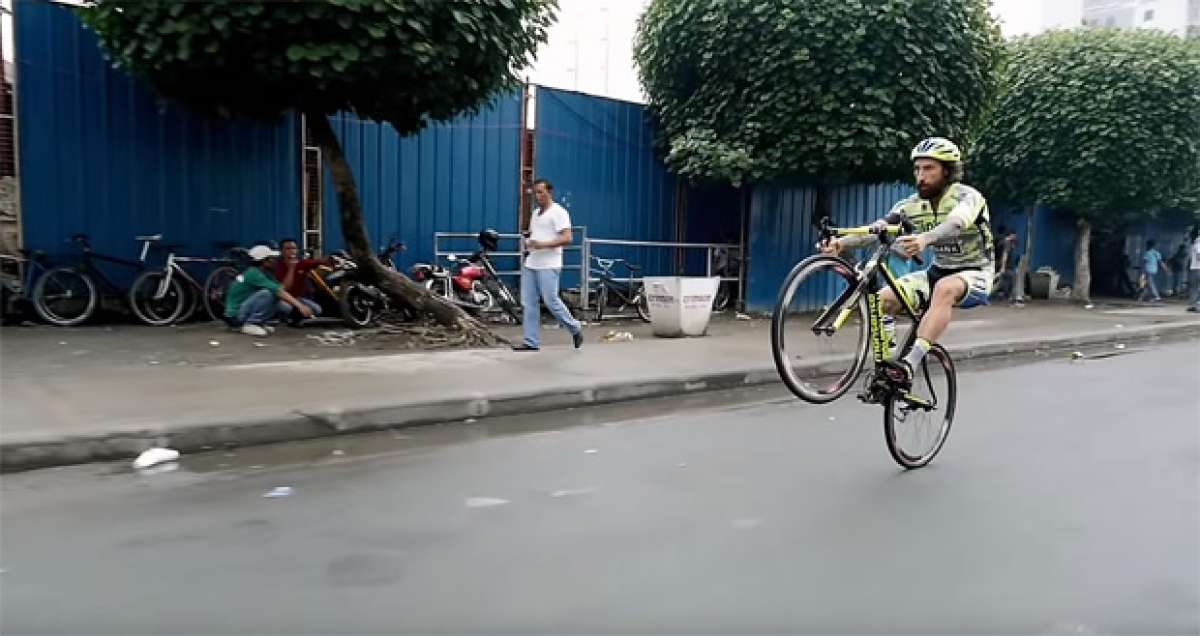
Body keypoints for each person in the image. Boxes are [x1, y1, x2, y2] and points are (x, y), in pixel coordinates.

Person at [823, 137, 993, 387]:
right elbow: (879, 229)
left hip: (976, 273)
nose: (921, 176)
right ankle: (889, 366)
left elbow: (956, 222)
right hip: (936, 272)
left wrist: (926, 238)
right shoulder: (910, 205)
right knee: (882, 299)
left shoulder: (967, 197)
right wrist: (842, 243)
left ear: (947, 171)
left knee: (945, 288)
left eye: (929, 169)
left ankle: (909, 364)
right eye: (917, 169)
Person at [515, 178, 583, 351]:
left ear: (549, 192)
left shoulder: (559, 212)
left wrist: (542, 244)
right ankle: (531, 341)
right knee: (528, 302)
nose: (538, 196)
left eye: (541, 192)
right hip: (532, 262)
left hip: (549, 263)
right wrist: (529, 240)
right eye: (535, 193)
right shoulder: (536, 213)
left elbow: (567, 238)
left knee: (551, 300)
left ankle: (574, 327)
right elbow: (536, 234)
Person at [223, 245, 315, 336]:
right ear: (264, 261)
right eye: (271, 258)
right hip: (235, 316)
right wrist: (300, 306)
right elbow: (278, 291)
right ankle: (251, 323)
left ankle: (259, 323)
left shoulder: (266, 273)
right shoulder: (253, 273)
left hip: (244, 309)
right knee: (267, 293)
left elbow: (282, 289)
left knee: (284, 304)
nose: (274, 260)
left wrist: (291, 268)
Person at [273, 238, 325, 325]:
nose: (291, 251)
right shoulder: (277, 266)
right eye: (288, 248)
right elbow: (283, 289)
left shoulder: (302, 263)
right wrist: (291, 268)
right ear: (281, 251)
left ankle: (297, 314)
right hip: (282, 299)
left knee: (318, 310)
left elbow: (318, 262)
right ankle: (291, 316)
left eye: (294, 248)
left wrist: (329, 260)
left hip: (298, 298)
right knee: (286, 308)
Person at [992, 226, 1018, 301]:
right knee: (1011, 281)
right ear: (1011, 235)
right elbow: (1005, 255)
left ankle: (1001, 295)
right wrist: (1003, 266)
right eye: (1015, 235)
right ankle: (1011, 298)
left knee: (1001, 281)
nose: (1016, 237)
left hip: (999, 263)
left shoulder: (1000, 242)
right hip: (1007, 265)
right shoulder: (1007, 243)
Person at [1188, 229, 1200, 312]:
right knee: (1195, 287)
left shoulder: (1198, 243)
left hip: (1196, 268)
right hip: (1196, 268)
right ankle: (1194, 305)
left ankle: (1194, 305)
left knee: (1194, 287)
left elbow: (1199, 256)